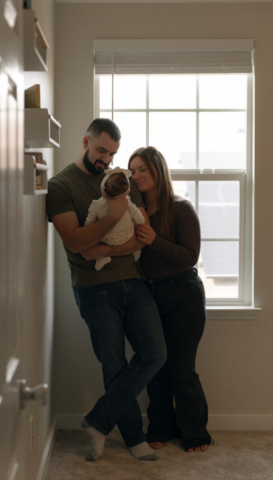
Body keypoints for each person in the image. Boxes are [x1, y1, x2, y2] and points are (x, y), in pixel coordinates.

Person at [46, 119, 167, 462]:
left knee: (155, 354)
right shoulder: (60, 185)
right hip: (93, 288)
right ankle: (134, 439)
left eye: (112, 153)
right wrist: (111, 218)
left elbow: (140, 234)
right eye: (101, 150)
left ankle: (97, 422)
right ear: (86, 141)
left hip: (133, 281)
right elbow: (74, 240)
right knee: (113, 365)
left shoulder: (119, 181)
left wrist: (107, 249)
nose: (106, 160)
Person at [128, 146, 212, 453]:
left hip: (184, 296)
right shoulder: (130, 212)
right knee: (156, 366)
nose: (136, 176)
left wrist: (154, 240)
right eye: (132, 170)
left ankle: (195, 434)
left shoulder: (180, 208)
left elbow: (190, 257)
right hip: (148, 296)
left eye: (143, 170)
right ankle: (160, 428)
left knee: (182, 368)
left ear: (158, 172)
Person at [85, 166, 145, 271]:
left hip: (108, 238)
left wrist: (89, 227)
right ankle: (136, 252)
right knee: (136, 234)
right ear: (127, 191)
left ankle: (103, 257)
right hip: (127, 234)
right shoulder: (126, 201)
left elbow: (89, 223)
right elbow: (136, 213)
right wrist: (141, 221)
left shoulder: (96, 205)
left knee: (96, 239)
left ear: (103, 189)